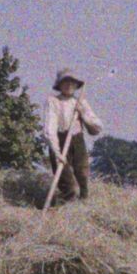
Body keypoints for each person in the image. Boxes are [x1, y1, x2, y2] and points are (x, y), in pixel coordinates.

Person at [43, 69, 104, 204]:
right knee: (68, 184)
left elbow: (97, 128)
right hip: (59, 141)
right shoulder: (53, 101)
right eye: (65, 82)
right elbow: (50, 128)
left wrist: (83, 114)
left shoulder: (80, 102)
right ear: (59, 85)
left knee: (82, 176)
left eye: (72, 83)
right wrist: (57, 152)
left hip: (77, 141)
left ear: (76, 86)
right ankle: (67, 207)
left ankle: (84, 205)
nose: (69, 86)